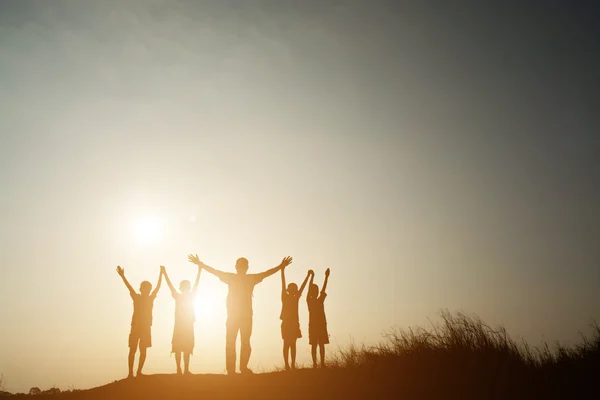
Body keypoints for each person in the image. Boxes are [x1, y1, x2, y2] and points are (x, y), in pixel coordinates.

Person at [188, 254, 293, 375]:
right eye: (242, 266)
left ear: (238, 267)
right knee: (241, 341)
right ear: (243, 267)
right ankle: (239, 368)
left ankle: (235, 369)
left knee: (236, 341)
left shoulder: (237, 278)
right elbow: (266, 273)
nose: (242, 268)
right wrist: (280, 266)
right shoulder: (245, 278)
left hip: (239, 316)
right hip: (240, 315)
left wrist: (201, 264)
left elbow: (214, 271)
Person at [116, 265, 162, 378]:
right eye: (145, 288)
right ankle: (130, 373)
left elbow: (158, 287)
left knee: (143, 350)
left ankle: (139, 372)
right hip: (136, 327)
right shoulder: (136, 297)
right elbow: (129, 287)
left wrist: (161, 274)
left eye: (148, 289)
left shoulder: (151, 298)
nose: (147, 290)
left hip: (146, 328)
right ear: (141, 289)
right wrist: (123, 276)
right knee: (132, 350)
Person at [162, 264, 202, 375]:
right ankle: (179, 369)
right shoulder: (178, 296)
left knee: (187, 348)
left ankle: (185, 369)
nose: (186, 288)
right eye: (184, 286)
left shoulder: (188, 295)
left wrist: (199, 270)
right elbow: (170, 285)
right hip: (180, 326)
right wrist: (165, 273)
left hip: (187, 326)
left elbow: (196, 283)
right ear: (182, 288)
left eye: (187, 286)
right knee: (179, 348)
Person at [280, 267, 311, 370]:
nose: (294, 291)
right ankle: (287, 365)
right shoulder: (285, 296)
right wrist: (282, 270)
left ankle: (292, 364)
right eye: (292, 289)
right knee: (287, 344)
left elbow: (302, 287)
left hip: (293, 323)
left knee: (292, 344)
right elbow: (283, 283)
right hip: (286, 323)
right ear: (288, 290)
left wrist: (307, 276)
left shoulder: (295, 297)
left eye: (295, 289)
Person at [307, 268, 330, 368]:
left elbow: (323, 289)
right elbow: (309, 289)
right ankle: (315, 364)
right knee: (314, 345)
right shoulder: (309, 301)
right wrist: (312, 277)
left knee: (321, 344)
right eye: (314, 290)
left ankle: (322, 363)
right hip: (314, 325)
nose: (316, 292)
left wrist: (326, 277)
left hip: (321, 324)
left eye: (316, 290)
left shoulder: (319, 300)